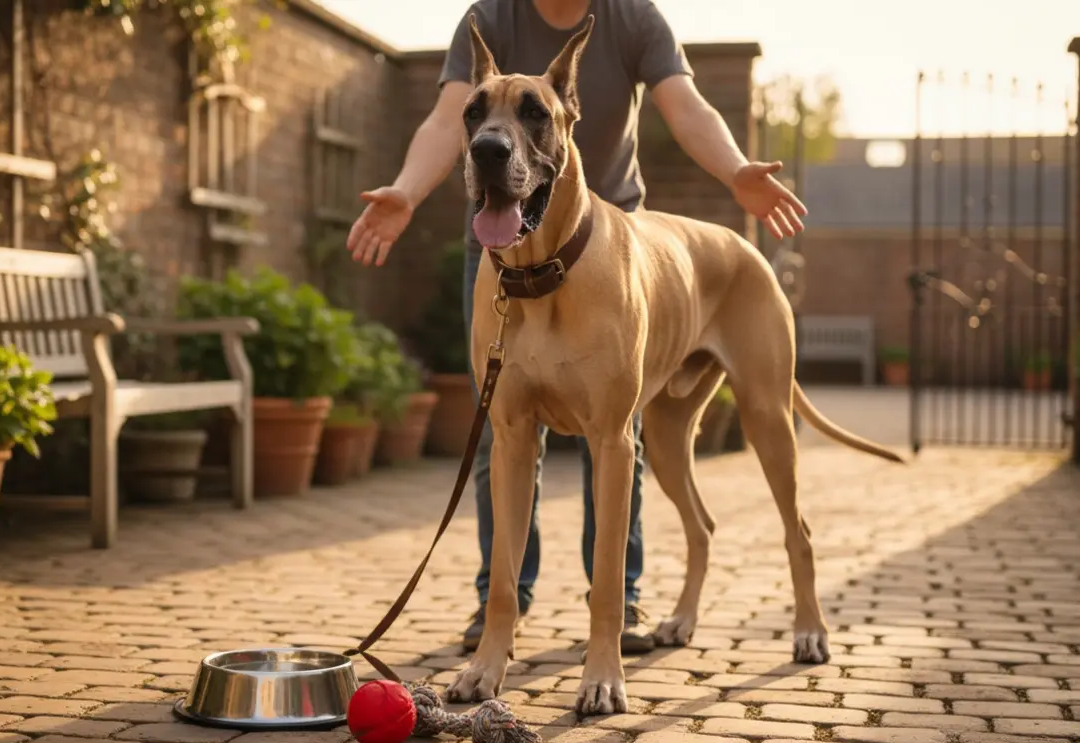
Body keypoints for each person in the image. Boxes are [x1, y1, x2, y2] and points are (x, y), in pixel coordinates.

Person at [346, 0, 807, 655]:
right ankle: (499, 607)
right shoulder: (490, 17)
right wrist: (406, 192)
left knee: (618, 440)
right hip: (500, 242)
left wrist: (736, 171)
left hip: (610, 244)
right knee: (499, 440)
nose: (495, 126)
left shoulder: (633, 19)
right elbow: (445, 117)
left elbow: (687, 106)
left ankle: (617, 604)